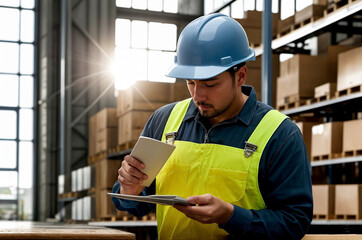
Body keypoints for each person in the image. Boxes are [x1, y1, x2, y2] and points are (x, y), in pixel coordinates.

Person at [112, 13, 313, 239]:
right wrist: (129, 191)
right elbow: (133, 203)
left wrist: (231, 217)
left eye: (210, 83)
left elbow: (295, 222)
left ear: (240, 76)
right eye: (190, 82)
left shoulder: (279, 134)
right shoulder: (164, 121)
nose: (198, 95)